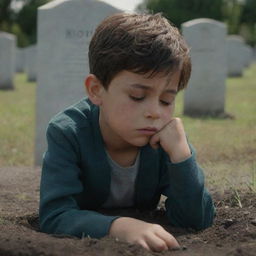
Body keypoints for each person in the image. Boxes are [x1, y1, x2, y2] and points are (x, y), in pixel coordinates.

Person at [39, 13, 215, 252]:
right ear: (96, 90)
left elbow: (196, 220)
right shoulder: (68, 133)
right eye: (137, 96)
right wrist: (119, 227)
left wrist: (182, 157)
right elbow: (54, 215)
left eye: (166, 100)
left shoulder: (166, 139)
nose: (154, 112)